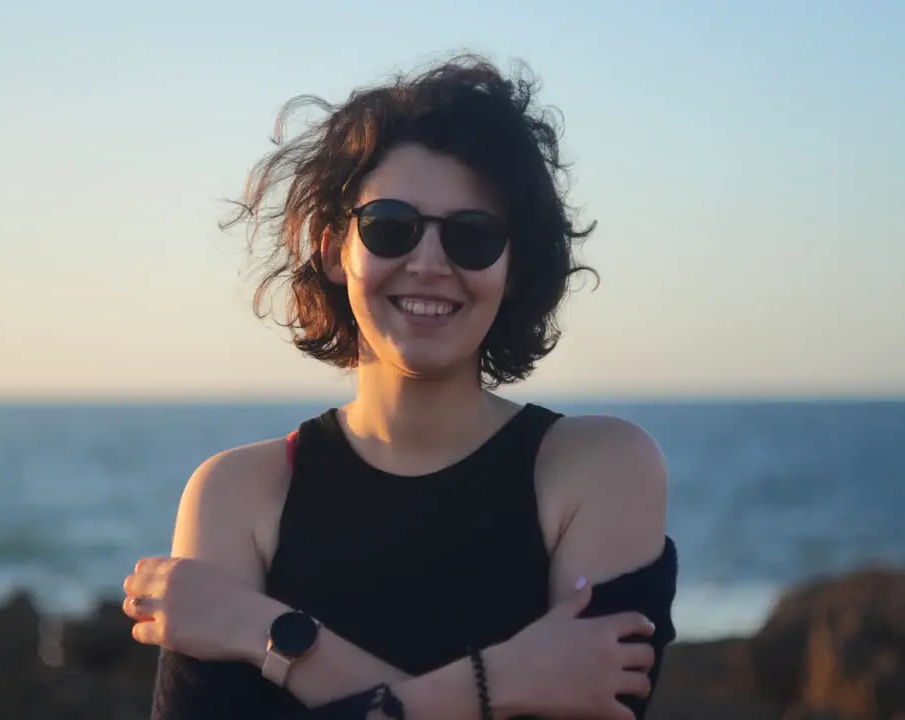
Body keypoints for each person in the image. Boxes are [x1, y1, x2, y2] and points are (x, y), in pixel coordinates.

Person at [121, 54, 678, 719]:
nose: (428, 263)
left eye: (472, 236)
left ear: (513, 264)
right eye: (391, 226)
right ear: (333, 250)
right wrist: (511, 682)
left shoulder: (599, 468)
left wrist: (266, 635)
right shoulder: (237, 496)